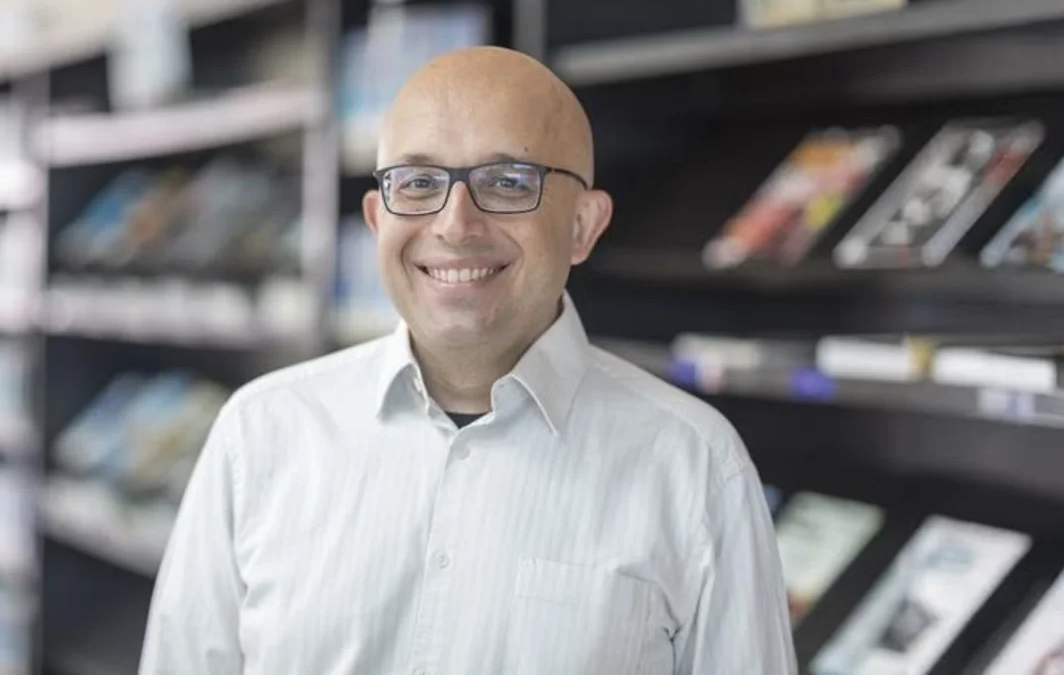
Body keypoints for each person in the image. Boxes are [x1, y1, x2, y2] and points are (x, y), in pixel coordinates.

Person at [140, 45, 796, 674]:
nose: (455, 224)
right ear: (377, 220)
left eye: (507, 182)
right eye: (418, 182)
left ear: (583, 226)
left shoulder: (695, 469)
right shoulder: (259, 435)